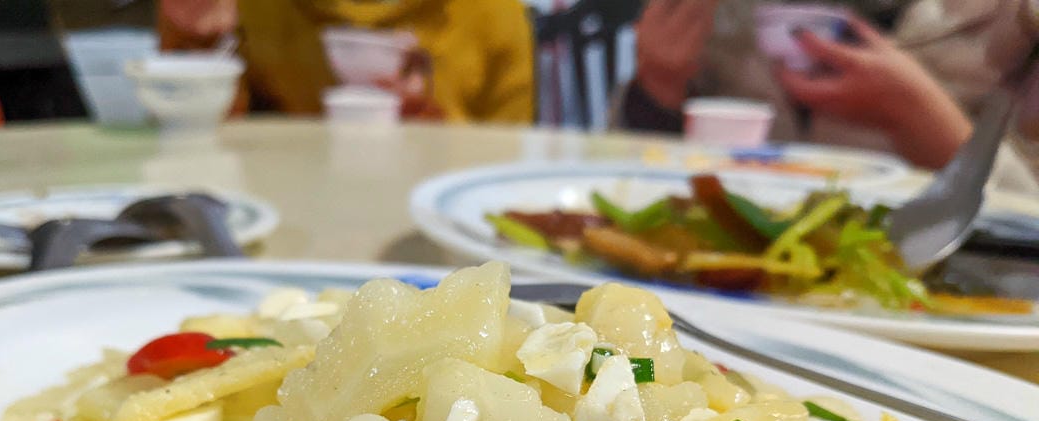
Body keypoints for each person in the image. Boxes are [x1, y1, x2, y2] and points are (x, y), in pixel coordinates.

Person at [621, 0, 1038, 191]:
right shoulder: (717, 14)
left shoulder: (1017, 21)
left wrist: (923, 119)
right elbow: (623, 177)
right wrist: (657, 89)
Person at [158, 0, 535, 123]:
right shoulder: (249, 8)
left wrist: (426, 121)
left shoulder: (491, 12)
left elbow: (503, 156)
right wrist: (198, 39)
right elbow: (204, 141)